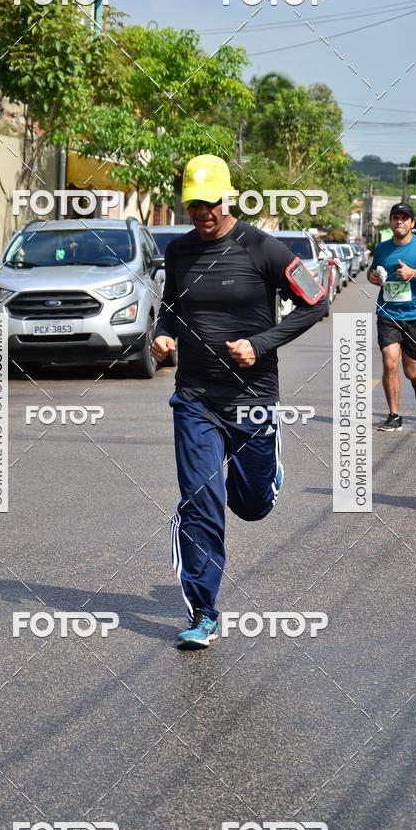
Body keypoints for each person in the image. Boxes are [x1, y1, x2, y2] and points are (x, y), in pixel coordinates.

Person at [151, 154, 328, 650]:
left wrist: (262, 343)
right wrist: (161, 338)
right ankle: (203, 612)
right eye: (193, 205)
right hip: (194, 398)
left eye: (209, 203)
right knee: (199, 501)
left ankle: (266, 476)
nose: (202, 213)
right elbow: (169, 312)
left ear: (226, 198)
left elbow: (317, 303)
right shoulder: (180, 253)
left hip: (252, 399)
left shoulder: (262, 249)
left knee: (249, 505)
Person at [367, 202, 416, 432]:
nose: (399, 221)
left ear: (412, 223)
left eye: (404, 218)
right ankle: (394, 415)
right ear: (391, 222)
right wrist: (373, 277)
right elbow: (373, 272)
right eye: (395, 217)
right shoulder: (382, 248)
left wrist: (415, 273)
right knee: (389, 361)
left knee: (409, 369)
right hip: (388, 312)